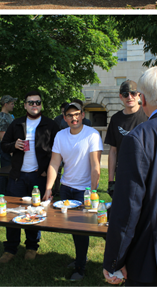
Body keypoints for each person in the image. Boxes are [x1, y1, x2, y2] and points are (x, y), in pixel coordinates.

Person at [103, 66, 157, 286]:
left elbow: (128, 207)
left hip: (153, 258)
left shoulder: (140, 137)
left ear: (143, 99)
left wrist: (114, 261)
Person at [44, 100, 103, 281]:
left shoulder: (92, 135)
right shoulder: (61, 136)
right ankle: (80, 257)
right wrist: (48, 188)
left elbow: (95, 166)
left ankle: (80, 268)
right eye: (70, 115)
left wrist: (92, 192)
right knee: (72, 227)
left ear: (83, 115)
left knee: (81, 229)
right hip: (66, 189)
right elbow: (54, 163)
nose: (74, 118)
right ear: (65, 118)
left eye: (77, 114)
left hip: (84, 191)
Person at [0, 91, 59, 263]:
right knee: (12, 211)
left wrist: (48, 169)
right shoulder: (16, 123)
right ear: (25, 105)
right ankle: (10, 248)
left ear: (41, 105)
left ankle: (32, 246)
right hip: (17, 176)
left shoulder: (50, 125)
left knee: (34, 211)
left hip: (38, 176)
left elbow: (58, 149)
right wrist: (13, 145)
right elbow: (3, 145)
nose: (34, 105)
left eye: (37, 102)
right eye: (30, 102)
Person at [104, 80, 147, 198]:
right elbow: (113, 151)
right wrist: (110, 181)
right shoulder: (115, 119)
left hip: (145, 173)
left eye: (133, 93)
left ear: (139, 95)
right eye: (125, 94)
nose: (129, 97)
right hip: (123, 174)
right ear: (120, 97)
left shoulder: (148, 115)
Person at [0, 95, 16, 194]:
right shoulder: (1, 118)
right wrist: (10, 150)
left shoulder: (9, 116)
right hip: (6, 148)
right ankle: (2, 193)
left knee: (11, 170)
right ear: (5, 104)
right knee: (5, 171)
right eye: (12, 103)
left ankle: (9, 191)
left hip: (12, 146)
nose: (13, 105)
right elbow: (3, 137)